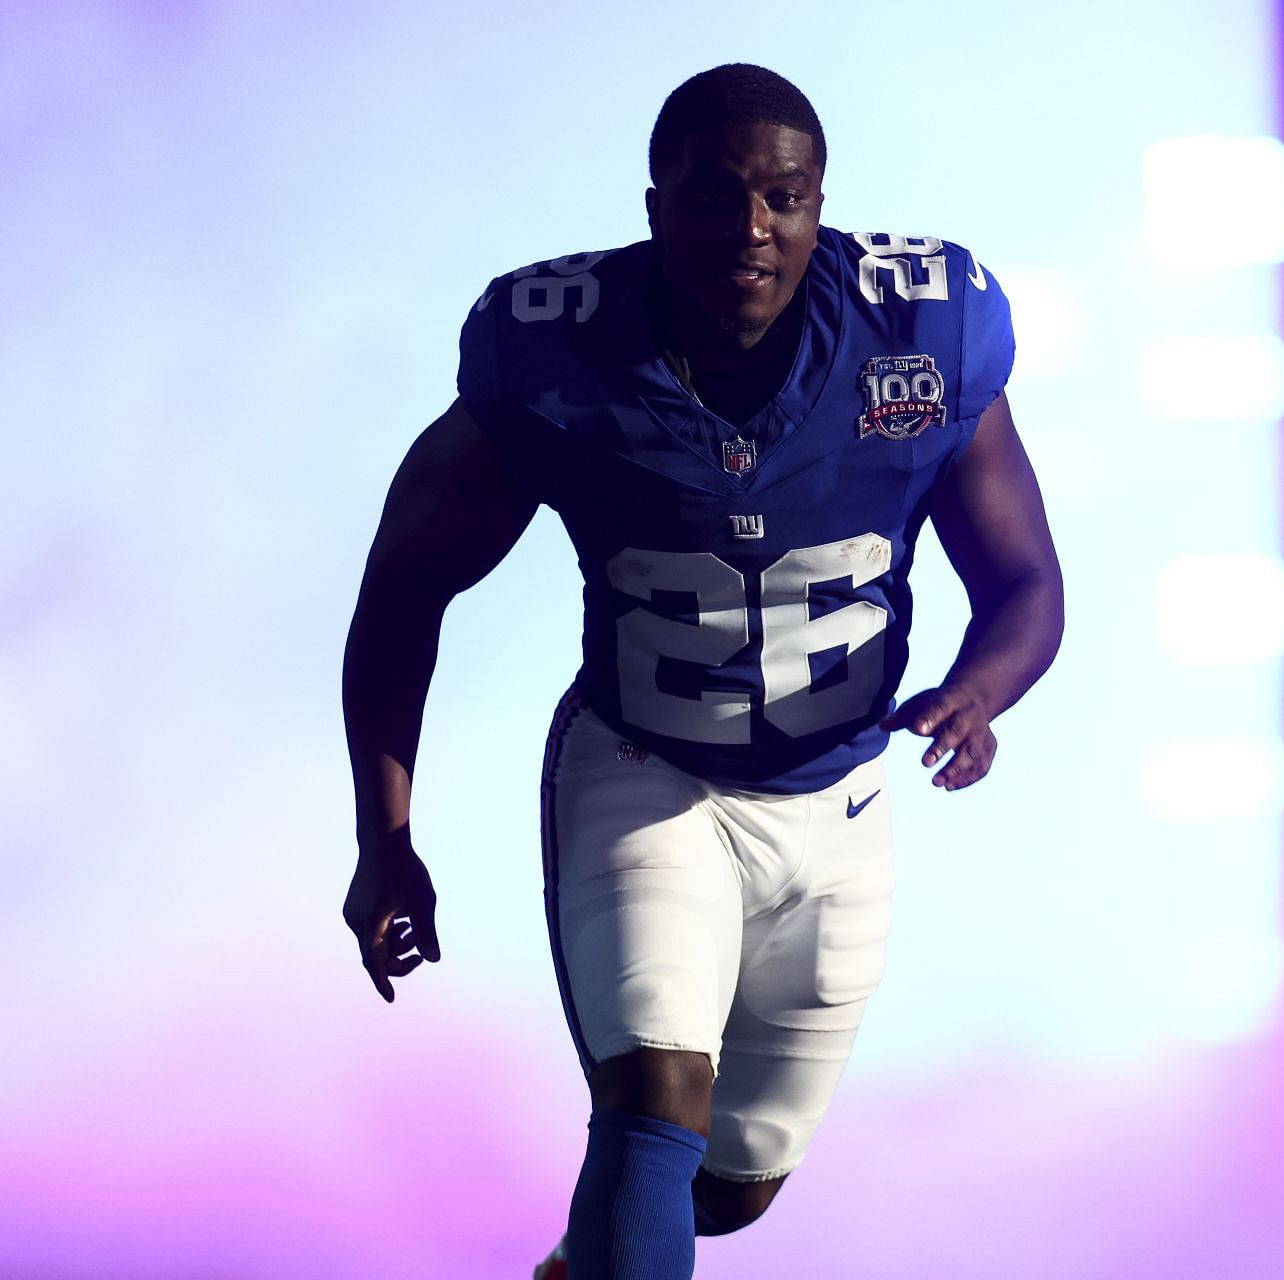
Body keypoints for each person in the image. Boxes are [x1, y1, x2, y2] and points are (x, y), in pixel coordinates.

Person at [340, 63, 1063, 1280]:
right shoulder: (557, 352)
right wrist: (385, 832)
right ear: (655, 205)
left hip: (837, 800)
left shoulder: (922, 332)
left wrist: (979, 690)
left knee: (728, 1191)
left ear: (820, 202)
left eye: (784, 198)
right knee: (651, 1106)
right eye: (718, 198)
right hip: (644, 770)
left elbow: (1029, 584)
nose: (753, 230)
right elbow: (406, 585)